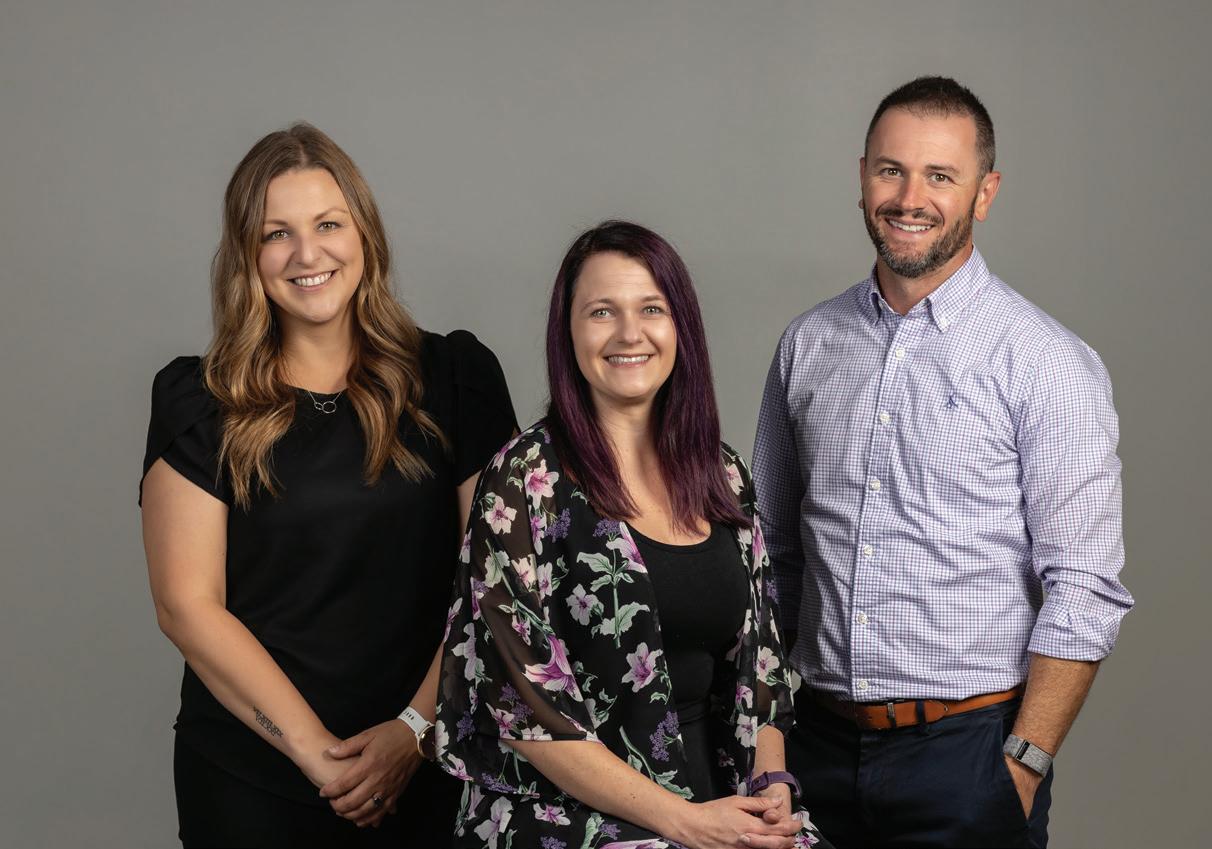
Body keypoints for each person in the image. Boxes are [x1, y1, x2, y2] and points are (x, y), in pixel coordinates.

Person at [752, 77, 1134, 848]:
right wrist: (768, 737)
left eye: (939, 176)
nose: (908, 198)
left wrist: (1020, 766)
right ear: (862, 176)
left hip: (968, 758)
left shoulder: (1045, 362)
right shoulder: (807, 345)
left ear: (983, 192)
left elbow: (1084, 586)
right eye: (890, 170)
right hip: (814, 749)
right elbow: (772, 555)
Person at [139, 123, 517, 848]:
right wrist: (320, 758)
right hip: (254, 779)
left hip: (436, 763)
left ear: (364, 234)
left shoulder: (455, 379)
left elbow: (496, 579)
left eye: (328, 224)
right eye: (276, 233)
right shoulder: (200, 402)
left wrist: (415, 730)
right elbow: (186, 605)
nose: (307, 254)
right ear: (246, 255)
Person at [435, 221, 825, 848]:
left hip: (719, 796)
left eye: (651, 309)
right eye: (601, 312)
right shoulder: (523, 480)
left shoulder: (722, 475)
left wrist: (771, 785)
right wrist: (687, 824)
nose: (628, 333)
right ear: (567, 332)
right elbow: (521, 708)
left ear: (680, 327)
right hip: (570, 815)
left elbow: (763, 672)